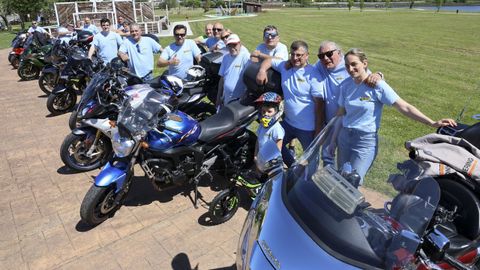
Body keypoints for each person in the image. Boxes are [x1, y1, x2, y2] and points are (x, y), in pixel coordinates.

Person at [336, 48, 457, 186]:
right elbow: (340, 115)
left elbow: (404, 107)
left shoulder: (377, 85)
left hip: (364, 142)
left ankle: (348, 207)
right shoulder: (345, 85)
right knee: (341, 177)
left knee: (353, 181)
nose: (350, 69)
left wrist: (432, 122)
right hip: (344, 138)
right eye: (347, 65)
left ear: (364, 63)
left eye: (354, 64)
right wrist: (332, 141)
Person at [256, 40, 324, 167]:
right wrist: (262, 70)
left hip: (308, 128)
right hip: (288, 123)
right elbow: (269, 60)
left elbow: (319, 105)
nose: (295, 58)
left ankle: (308, 183)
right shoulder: (285, 66)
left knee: (311, 159)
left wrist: (318, 129)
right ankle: (292, 166)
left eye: (299, 55)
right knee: (271, 144)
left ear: (307, 55)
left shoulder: (313, 74)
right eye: (292, 54)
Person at [314, 40, 382, 166]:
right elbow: (305, 68)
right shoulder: (321, 65)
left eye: (329, 54)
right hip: (331, 121)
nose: (325, 58)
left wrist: (378, 75)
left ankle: (345, 182)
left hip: (348, 123)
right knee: (327, 156)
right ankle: (328, 184)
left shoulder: (348, 65)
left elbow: (368, 76)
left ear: (339, 53)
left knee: (347, 164)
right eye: (321, 56)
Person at [238, 92, 285, 187]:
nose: (266, 114)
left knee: (269, 182)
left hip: (270, 163)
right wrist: (256, 155)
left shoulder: (277, 129)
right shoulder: (262, 126)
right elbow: (258, 141)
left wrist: (269, 164)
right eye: (263, 111)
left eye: (269, 111)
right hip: (260, 158)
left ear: (277, 111)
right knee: (258, 177)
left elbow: (278, 150)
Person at [216, 34, 250, 107]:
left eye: (234, 45)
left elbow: (249, 79)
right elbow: (222, 78)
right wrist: (218, 96)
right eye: (229, 45)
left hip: (239, 100)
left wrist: (244, 96)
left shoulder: (245, 57)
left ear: (239, 44)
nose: (232, 48)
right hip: (226, 98)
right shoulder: (225, 58)